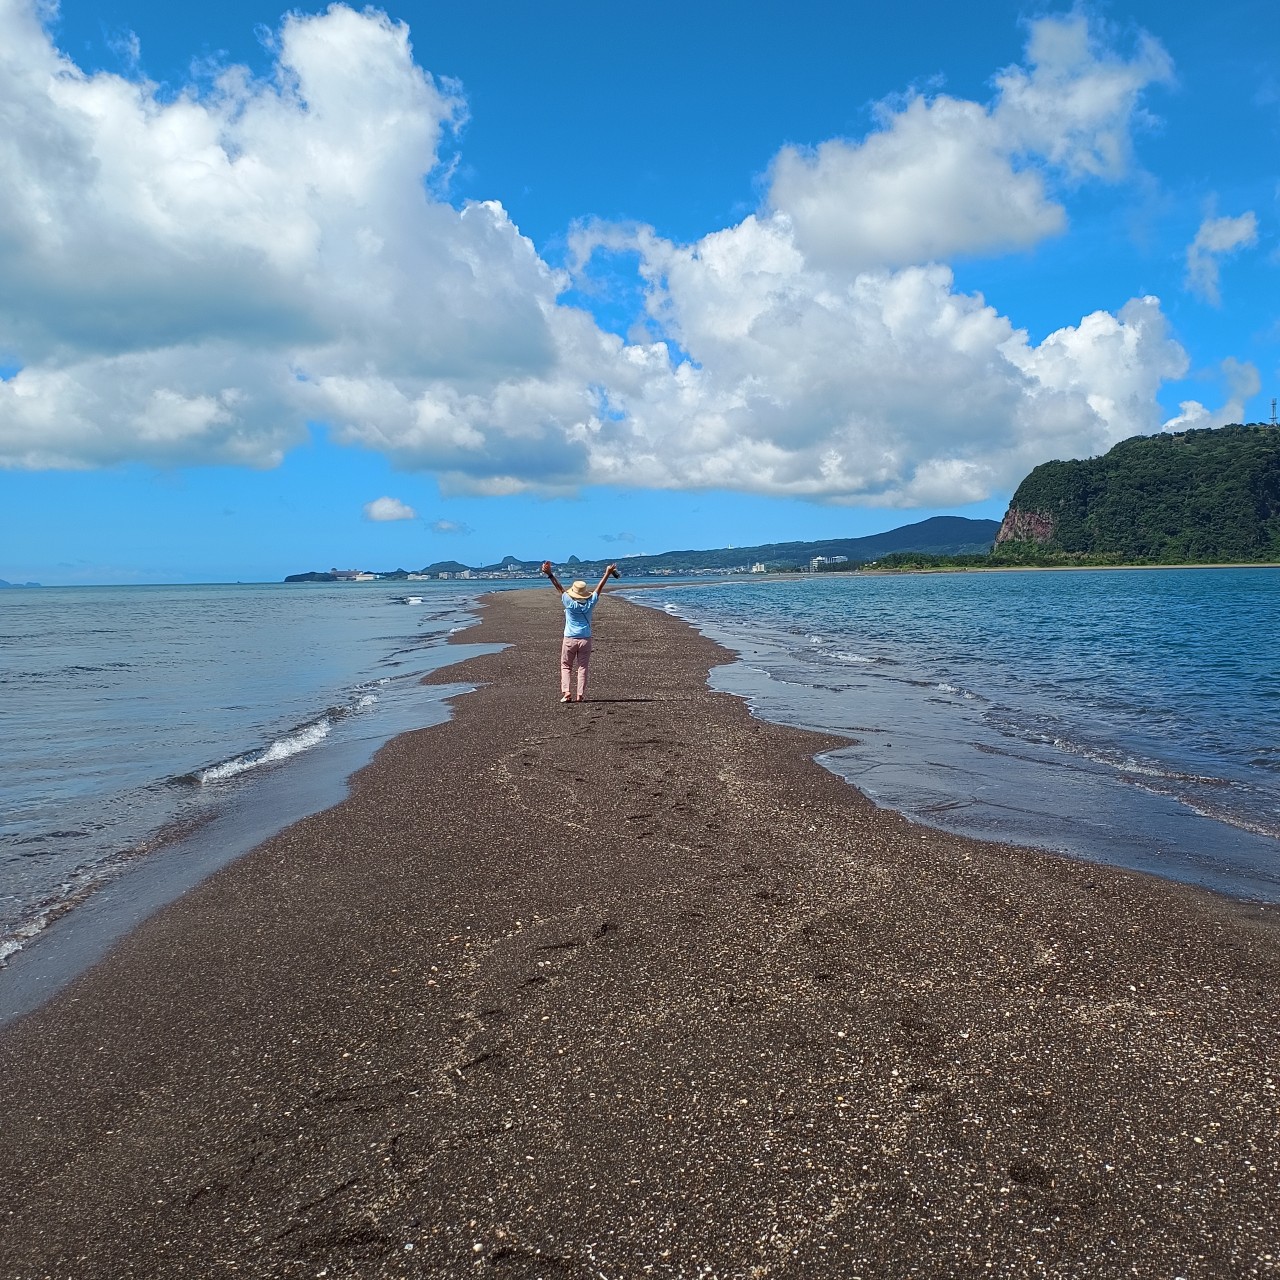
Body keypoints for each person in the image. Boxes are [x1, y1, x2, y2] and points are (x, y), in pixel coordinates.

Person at [540, 560, 620, 703]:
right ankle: (580, 695)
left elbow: (559, 588)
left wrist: (550, 573)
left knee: (566, 666)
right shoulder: (590, 602)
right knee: (582, 667)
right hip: (585, 639)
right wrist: (607, 573)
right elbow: (599, 588)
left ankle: (566, 692)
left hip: (570, 638)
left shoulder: (569, 602)